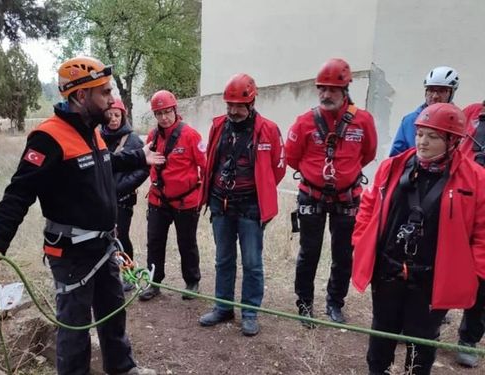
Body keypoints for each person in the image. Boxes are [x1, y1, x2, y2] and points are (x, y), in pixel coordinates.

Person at [0, 56, 159, 375]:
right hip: (72, 253)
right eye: (103, 92)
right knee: (74, 329)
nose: (110, 98)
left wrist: (138, 157)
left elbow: (104, 163)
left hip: (103, 248)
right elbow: (19, 193)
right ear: (80, 96)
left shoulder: (93, 131)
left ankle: (121, 367)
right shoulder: (48, 138)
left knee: (113, 312)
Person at [352, 103, 485, 375]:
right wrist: (360, 240)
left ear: (453, 141)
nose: (423, 142)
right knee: (381, 339)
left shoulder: (475, 180)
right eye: (420, 133)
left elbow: (482, 233)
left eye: (433, 136)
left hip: (433, 278)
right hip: (388, 271)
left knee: (421, 349)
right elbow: (368, 206)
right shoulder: (392, 167)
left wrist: (472, 273)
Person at [285, 58, 377, 326]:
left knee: (343, 254)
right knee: (308, 252)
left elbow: (368, 153)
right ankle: (304, 305)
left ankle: (335, 303)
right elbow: (292, 157)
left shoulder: (363, 121)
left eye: (332, 90)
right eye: (321, 89)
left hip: (347, 198)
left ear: (346, 89)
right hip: (311, 196)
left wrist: (345, 176)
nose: (326, 95)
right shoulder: (305, 122)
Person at [197, 73, 286, 336]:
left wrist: (260, 190)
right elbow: (211, 159)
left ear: (251, 103)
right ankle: (223, 307)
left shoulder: (268, 129)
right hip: (220, 204)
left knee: (252, 262)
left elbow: (277, 169)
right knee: (223, 259)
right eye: (229, 105)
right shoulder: (218, 127)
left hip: (250, 206)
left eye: (238, 106)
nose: (233, 111)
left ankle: (249, 312)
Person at [138, 90, 206, 301]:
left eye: (167, 112)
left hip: (185, 201)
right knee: (155, 241)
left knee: (186, 242)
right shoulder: (152, 137)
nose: (164, 117)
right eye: (159, 113)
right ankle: (153, 282)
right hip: (158, 200)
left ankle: (192, 281)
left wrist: (201, 196)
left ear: (175, 110)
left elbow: (205, 166)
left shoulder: (191, 136)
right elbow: (145, 162)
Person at [101, 97, 150, 292]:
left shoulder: (133, 140)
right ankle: (108, 274)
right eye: (110, 115)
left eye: (117, 115)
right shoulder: (98, 137)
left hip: (123, 199)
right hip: (102, 199)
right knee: (104, 238)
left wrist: (121, 187)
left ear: (123, 116)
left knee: (120, 236)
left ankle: (128, 274)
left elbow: (143, 169)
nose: (113, 119)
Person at [454, 100, 485, 368]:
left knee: (482, 276)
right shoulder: (473, 112)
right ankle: (426, 326)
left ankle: (469, 339)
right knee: (438, 261)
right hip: (463, 197)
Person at [389, 66, 459, 157]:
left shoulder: (459, 122)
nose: (435, 96)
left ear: (451, 93)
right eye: (431, 90)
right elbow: (396, 157)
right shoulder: (410, 120)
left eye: (442, 91)